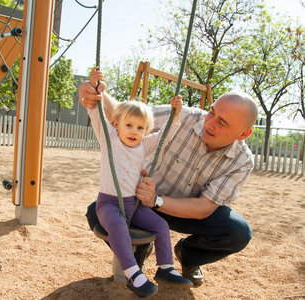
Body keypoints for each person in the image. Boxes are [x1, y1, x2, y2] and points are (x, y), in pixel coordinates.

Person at [80, 78, 257, 287]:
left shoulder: (241, 161)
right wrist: (97, 93)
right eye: (212, 113)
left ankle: (188, 255)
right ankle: (140, 249)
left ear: (243, 134)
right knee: (97, 212)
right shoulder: (185, 116)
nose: (209, 123)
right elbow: (127, 114)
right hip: (142, 202)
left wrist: (156, 200)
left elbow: (203, 208)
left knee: (237, 231)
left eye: (222, 123)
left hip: (184, 211)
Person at [87, 67, 192, 298]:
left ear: (145, 131)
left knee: (161, 226)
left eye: (140, 127)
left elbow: (166, 136)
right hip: (108, 204)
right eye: (129, 125)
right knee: (117, 227)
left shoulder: (144, 145)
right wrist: (95, 88)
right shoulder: (109, 137)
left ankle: (165, 268)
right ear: (116, 124)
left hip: (133, 205)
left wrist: (176, 114)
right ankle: (133, 274)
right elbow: (96, 114)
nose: (134, 132)